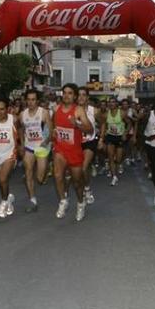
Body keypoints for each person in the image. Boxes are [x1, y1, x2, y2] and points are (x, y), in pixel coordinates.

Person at [52, 83, 93, 221]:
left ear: (74, 96)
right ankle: (63, 201)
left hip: (75, 151)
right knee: (58, 175)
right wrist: (53, 132)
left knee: (77, 182)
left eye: (70, 93)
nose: (66, 95)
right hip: (60, 148)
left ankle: (81, 203)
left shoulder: (79, 110)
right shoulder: (56, 108)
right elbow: (55, 127)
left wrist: (77, 124)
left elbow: (90, 130)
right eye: (64, 92)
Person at [19, 88, 52, 213]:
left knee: (39, 178)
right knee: (28, 172)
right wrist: (22, 143)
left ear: (37, 101)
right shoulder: (22, 114)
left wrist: (46, 141)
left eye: (33, 100)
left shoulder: (44, 113)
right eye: (28, 100)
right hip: (29, 146)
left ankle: (46, 167)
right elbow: (21, 129)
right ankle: (32, 200)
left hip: (42, 146)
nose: (30, 102)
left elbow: (51, 130)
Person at [77, 88, 98, 205]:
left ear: (87, 98)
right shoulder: (73, 110)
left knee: (83, 168)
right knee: (78, 171)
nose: (81, 97)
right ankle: (84, 186)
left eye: (84, 95)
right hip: (77, 143)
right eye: (79, 95)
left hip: (90, 142)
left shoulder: (94, 111)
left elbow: (103, 122)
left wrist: (101, 139)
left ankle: (87, 189)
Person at [102, 98, 130, 186]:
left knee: (118, 159)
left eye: (113, 102)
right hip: (110, 137)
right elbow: (104, 125)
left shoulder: (122, 113)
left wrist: (125, 133)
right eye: (110, 102)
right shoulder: (106, 114)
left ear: (116, 104)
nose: (111, 103)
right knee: (110, 157)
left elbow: (129, 123)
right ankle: (114, 177)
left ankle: (116, 168)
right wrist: (103, 134)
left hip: (119, 137)